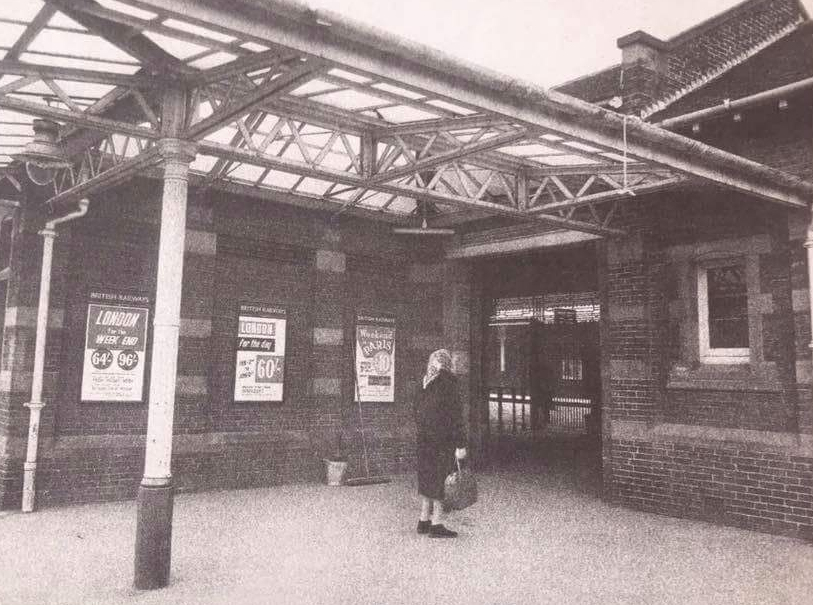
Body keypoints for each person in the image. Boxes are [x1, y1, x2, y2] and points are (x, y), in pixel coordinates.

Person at [413, 349, 467, 538]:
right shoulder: (449, 383)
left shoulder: (425, 382)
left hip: (424, 439)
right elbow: (456, 416)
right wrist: (461, 445)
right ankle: (436, 524)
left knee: (427, 477)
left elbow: (416, 410)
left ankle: (423, 521)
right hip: (443, 441)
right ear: (447, 363)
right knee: (441, 480)